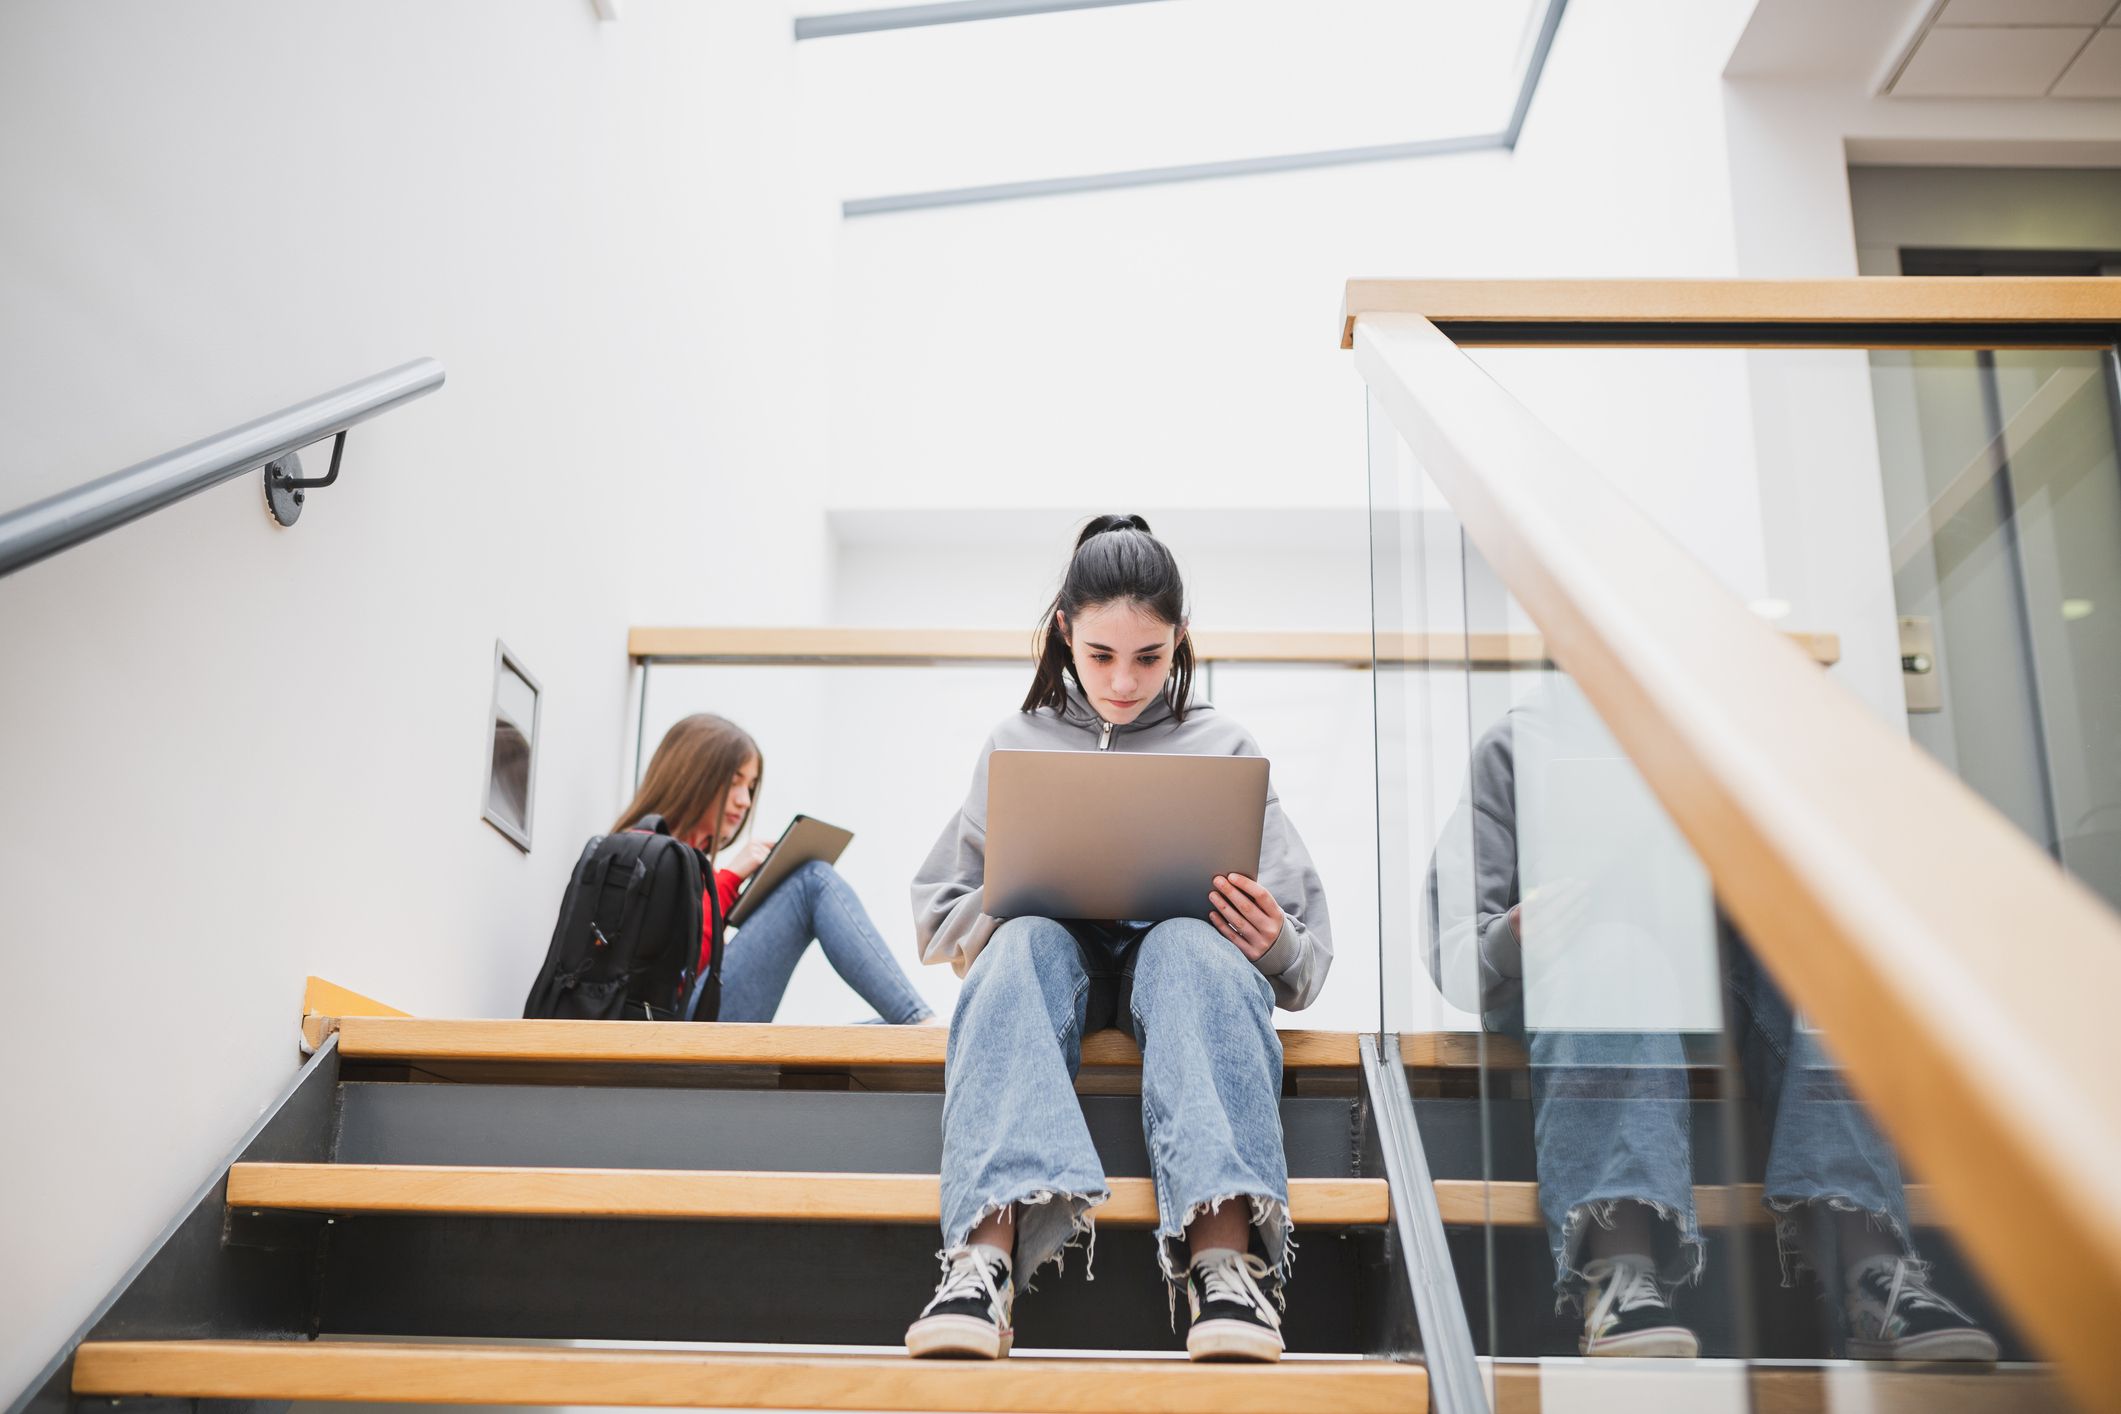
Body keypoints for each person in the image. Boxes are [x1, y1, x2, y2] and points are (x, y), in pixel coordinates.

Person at [1426, 692, 1997, 1363]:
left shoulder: (1743, 732)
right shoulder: (1520, 740)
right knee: (1618, 953)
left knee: (1819, 959)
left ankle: (1874, 1273)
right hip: (1580, 975)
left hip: (1718, 980)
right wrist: (1516, 934)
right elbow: (1455, 950)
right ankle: (1617, 1272)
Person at [903, 514, 1334, 1363]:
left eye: (1150, 657)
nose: (1125, 683)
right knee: (1022, 942)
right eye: (1101, 655)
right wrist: (1014, 897)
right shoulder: (1014, 743)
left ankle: (1225, 1264)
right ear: (1064, 632)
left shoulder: (1224, 746)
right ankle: (979, 1262)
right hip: (1048, 963)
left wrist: (1269, 939)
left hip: (1177, 971)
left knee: (1187, 949)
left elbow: (1307, 961)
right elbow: (939, 917)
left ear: (1180, 642)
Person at [617, 713, 935, 1026]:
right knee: (812, 881)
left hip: (688, 1018)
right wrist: (729, 881)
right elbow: (672, 963)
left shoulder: (685, 859)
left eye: (751, 787)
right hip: (670, 1028)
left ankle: (921, 1026)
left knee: (881, 1037)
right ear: (691, 778)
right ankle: (919, 1021)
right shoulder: (642, 850)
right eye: (734, 782)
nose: (744, 801)